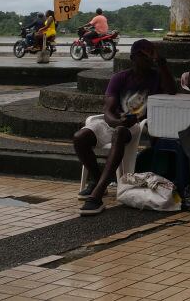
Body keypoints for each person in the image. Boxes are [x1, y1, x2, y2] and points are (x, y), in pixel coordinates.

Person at [73, 39, 176, 215]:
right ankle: (97, 178)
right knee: (79, 137)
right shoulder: (120, 78)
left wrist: (161, 63)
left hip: (136, 125)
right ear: (133, 58)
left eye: (151, 55)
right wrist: (116, 121)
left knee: (120, 132)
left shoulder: (156, 77)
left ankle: (97, 195)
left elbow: (172, 91)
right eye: (144, 55)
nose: (148, 59)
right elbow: (107, 110)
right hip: (115, 121)